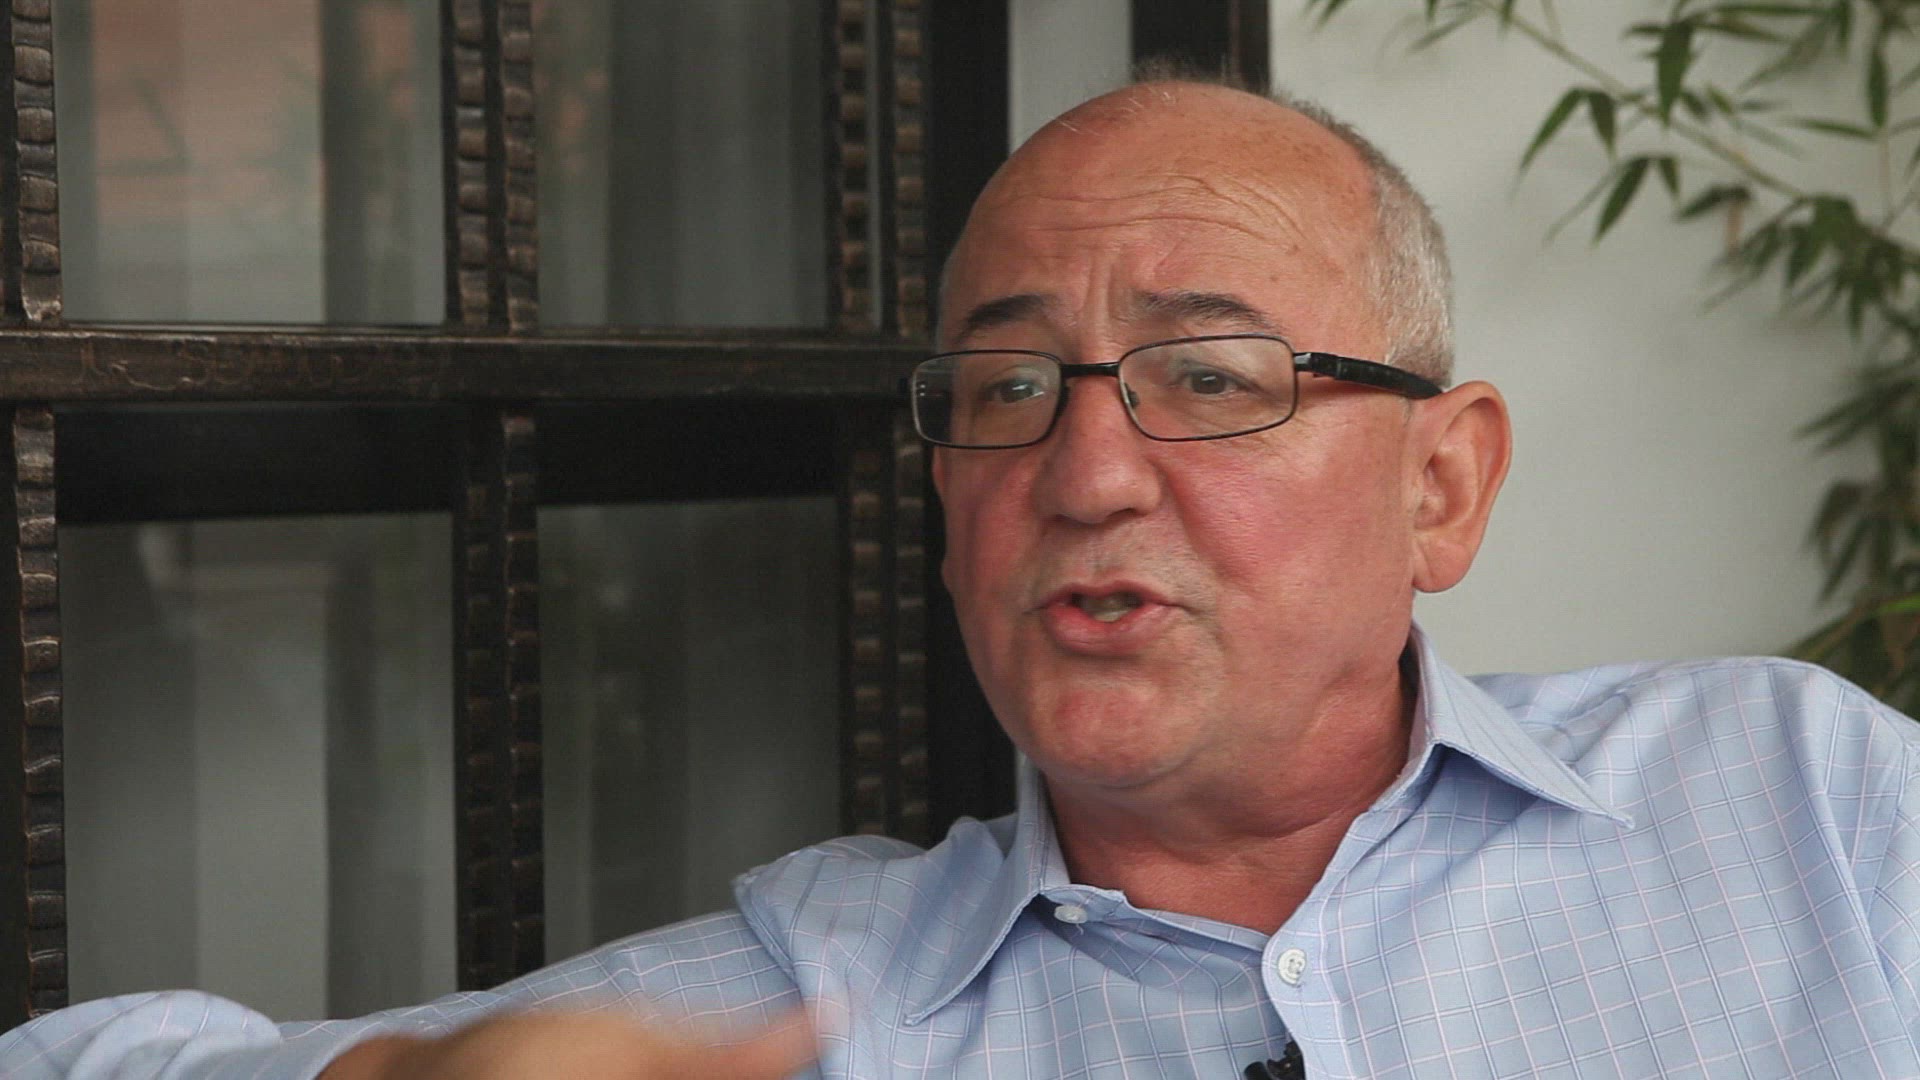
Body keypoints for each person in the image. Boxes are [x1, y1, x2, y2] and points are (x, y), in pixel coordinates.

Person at [8, 72, 1920, 1080]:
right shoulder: (819, 1001)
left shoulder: (1797, 804)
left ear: (1443, 482)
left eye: (1209, 379)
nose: (1084, 472)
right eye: (1008, 389)